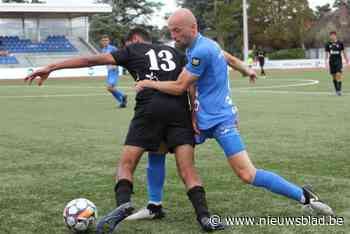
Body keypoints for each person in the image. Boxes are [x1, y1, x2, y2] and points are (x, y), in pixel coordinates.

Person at [136, 8, 334, 217]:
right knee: (157, 147)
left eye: (176, 31)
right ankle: (154, 206)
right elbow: (228, 58)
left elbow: (180, 86)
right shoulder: (200, 47)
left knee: (247, 174)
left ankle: (305, 197)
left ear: (193, 28)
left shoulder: (202, 50)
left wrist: (149, 83)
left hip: (221, 121)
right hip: (201, 120)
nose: (173, 36)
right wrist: (245, 69)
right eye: (171, 32)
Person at [24, 28, 224, 233]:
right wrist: (193, 118)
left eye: (126, 44)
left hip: (150, 109)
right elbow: (191, 86)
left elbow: (89, 61)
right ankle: (204, 217)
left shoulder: (133, 49)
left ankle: (123, 203)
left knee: (126, 165)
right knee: (186, 169)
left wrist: (51, 67)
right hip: (180, 112)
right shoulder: (175, 53)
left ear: (135, 40)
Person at [100, 35, 128, 107]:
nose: (105, 42)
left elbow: (119, 56)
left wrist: (115, 65)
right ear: (101, 42)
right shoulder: (103, 50)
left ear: (109, 41)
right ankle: (122, 102)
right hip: (109, 71)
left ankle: (123, 95)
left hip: (114, 70)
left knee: (110, 87)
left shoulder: (113, 48)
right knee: (110, 89)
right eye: (103, 40)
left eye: (106, 40)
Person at [325, 31, 349, 96]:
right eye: (330, 36)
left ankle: (339, 91)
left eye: (332, 35)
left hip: (338, 62)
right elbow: (326, 54)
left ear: (335, 36)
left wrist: (347, 59)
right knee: (334, 77)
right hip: (331, 62)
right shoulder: (328, 44)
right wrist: (326, 63)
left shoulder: (340, 43)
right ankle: (336, 90)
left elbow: (344, 52)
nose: (331, 37)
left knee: (338, 75)